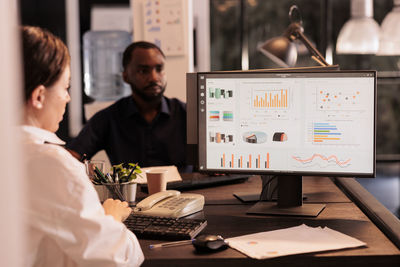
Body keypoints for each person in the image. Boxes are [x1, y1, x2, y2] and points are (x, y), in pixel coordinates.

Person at [20, 26, 144, 266]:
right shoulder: (51, 164)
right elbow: (117, 258)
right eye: (65, 88)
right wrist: (111, 216)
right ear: (39, 96)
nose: (67, 98)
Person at [66, 41, 190, 172]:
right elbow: (71, 157)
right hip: (131, 193)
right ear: (125, 76)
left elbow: (211, 158)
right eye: (143, 71)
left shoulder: (187, 113)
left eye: (159, 69)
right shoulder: (109, 118)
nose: (154, 77)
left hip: (186, 191)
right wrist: (84, 170)